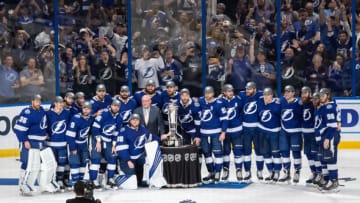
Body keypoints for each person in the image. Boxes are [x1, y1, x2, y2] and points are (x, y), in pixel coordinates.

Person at [14, 94, 59, 195]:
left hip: (41, 142)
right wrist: (25, 140)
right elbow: (19, 129)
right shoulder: (27, 112)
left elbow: (42, 125)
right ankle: (23, 185)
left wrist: (45, 134)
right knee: (27, 163)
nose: (38, 102)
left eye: (40, 101)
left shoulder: (42, 110)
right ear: (32, 101)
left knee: (41, 164)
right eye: (36, 101)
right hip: (29, 142)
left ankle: (40, 184)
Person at [116, 113, 167, 186]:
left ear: (139, 121)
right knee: (132, 182)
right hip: (127, 160)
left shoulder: (142, 129)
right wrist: (128, 160)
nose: (135, 121)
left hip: (139, 158)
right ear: (129, 121)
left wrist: (161, 138)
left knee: (139, 180)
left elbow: (151, 137)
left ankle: (146, 179)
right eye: (133, 120)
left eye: (137, 120)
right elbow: (121, 149)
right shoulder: (124, 131)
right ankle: (119, 178)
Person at [89, 99, 122, 189]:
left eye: (118, 106)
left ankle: (110, 179)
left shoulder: (119, 117)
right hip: (97, 138)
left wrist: (114, 145)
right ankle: (93, 180)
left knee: (112, 157)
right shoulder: (103, 114)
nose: (116, 108)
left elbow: (116, 133)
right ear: (111, 105)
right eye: (114, 105)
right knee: (96, 158)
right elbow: (95, 129)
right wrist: (98, 141)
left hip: (108, 140)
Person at [198, 86, 228, 183]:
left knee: (218, 153)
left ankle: (218, 173)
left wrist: (223, 133)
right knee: (207, 153)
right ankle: (211, 172)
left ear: (213, 94)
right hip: (204, 134)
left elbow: (224, 119)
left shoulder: (219, 104)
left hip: (216, 133)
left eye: (209, 93)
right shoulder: (201, 101)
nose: (207, 95)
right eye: (206, 93)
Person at [317, 88, 341, 192]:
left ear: (328, 95)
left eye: (323, 95)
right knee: (326, 159)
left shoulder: (330, 107)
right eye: (320, 95)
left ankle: (334, 182)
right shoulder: (325, 106)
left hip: (330, 136)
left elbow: (333, 125)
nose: (321, 97)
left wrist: (327, 138)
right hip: (326, 135)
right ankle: (329, 180)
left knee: (330, 159)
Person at [239, 81, 264, 181]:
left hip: (257, 129)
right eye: (246, 89)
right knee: (246, 152)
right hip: (245, 129)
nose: (247, 91)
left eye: (249, 89)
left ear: (255, 89)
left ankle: (260, 171)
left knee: (259, 151)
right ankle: (247, 171)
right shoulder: (242, 95)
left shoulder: (260, 95)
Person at [46, 96, 71, 191]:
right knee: (53, 163)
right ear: (55, 103)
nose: (61, 104)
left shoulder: (67, 113)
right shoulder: (48, 113)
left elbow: (69, 127)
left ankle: (60, 180)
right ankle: (52, 180)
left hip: (62, 143)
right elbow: (44, 125)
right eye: (59, 103)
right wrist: (45, 132)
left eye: (62, 103)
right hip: (51, 144)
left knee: (62, 162)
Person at [279, 85, 303, 183]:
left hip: (296, 131)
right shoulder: (281, 101)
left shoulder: (299, 103)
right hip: (284, 130)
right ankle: (286, 172)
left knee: (296, 152)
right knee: (284, 152)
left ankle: (297, 171)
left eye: (289, 92)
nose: (286, 93)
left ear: (293, 93)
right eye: (285, 91)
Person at [66, 101, 94, 185]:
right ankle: (75, 181)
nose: (86, 110)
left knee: (83, 162)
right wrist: (73, 147)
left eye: (88, 108)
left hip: (84, 144)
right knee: (75, 162)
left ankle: (80, 181)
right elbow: (69, 135)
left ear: (90, 110)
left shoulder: (91, 119)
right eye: (84, 108)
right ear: (82, 108)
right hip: (75, 143)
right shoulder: (76, 118)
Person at [257, 87, 282, 182]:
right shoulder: (260, 102)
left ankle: (277, 172)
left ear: (272, 95)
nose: (266, 97)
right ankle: (270, 171)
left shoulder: (277, 104)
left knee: (276, 153)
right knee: (265, 153)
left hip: (274, 133)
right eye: (264, 95)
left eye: (268, 95)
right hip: (263, 132)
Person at [220, 84, 244, 181]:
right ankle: (225, 170)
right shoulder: (220, 101)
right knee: (226, 152)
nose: (230, 93)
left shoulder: (238, 100)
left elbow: (242, 112)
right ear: (224, 92)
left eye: (231, 91)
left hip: (237, 131)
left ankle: (239, 170)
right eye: (228, 91)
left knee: (237, 151)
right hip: (226, 132)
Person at [300, 86, 318, 184]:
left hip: (313, 133)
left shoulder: (313, 103)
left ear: (310, 93)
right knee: (308, 153)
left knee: (315, 153)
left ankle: (319, 173)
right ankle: (313, 172)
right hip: (305, 133)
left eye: (305, 93)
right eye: (302, 93)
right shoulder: (301, 104)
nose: (303, 95)